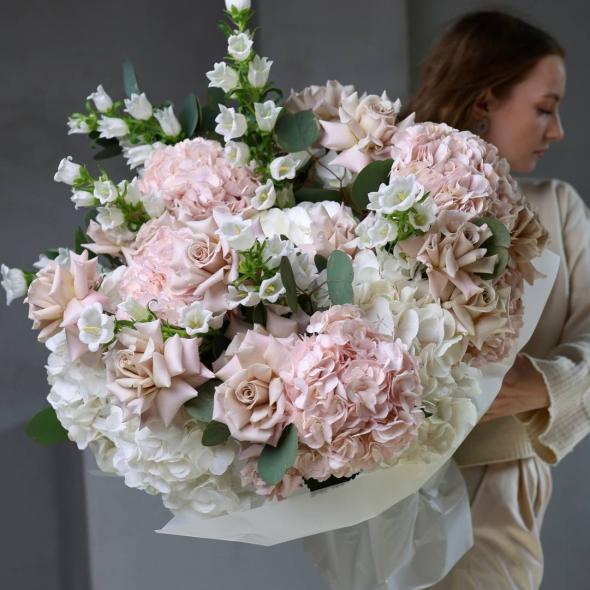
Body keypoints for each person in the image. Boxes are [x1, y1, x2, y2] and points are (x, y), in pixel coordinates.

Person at [401, 10, 590, 590]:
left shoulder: (557, 207)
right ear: (485, 101)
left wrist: (548, 384)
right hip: (390, 493)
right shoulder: (389, 201)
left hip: (500, 483)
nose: (557, 131)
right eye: (545, 108)